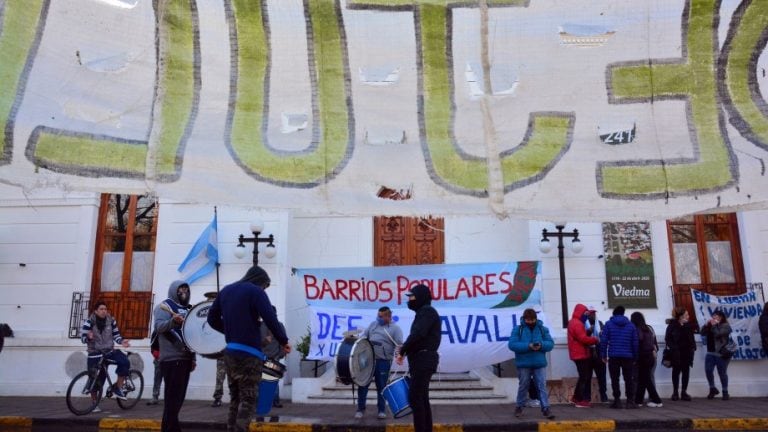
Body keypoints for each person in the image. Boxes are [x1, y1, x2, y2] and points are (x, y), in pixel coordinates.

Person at [207, 265, 290, 432]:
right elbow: (270, 318)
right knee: (249, 399)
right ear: (261, 282)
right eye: (265, 286)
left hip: (230, 352)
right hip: (249, 355)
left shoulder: (226, 291)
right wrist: (283, 340)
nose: (264, 289)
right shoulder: (256, 292)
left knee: (235, 399)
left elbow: (211, 318)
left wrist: (230, 330)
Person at [395, 284, 441, 432]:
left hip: (423, 360)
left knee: (415, 398)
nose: (409, 299)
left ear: (420, 297)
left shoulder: (426, 311)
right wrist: (406, 351)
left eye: (411, 296)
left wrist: (402, 350)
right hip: (421, 361)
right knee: (422, 399)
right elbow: (419, 337)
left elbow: (417, 334)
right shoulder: (424, 312)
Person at [154, 280, 196, 432]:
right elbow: (159, 327)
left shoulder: (189, 309)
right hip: (171, 358)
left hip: (185, 358)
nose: (184, 292)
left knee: (177, 400)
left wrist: (193, 358)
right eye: (181, 289)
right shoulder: (163, 307)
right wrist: (173, 321)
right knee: (173, 400)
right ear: (174, 290)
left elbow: (191, 336)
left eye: (186, 289)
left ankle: (172, 428)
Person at [81, 300, 132, 411]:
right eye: (101, 309)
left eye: (105, 309)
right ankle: (94, 403)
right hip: (94, 353)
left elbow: (116, 335)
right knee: (96, 379)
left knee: (125, 362)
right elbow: (83, 338)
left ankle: (117, 387)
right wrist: (88, 337)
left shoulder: (111, 321)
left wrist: (122, 341)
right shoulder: (89, 322)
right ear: (96, 311)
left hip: (109, 351)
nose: (104, 311)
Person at [355, 306, 403, 419]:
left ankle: (381, 410)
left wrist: (399, 356)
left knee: (381, 386)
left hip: (383, 362)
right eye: (378, 316)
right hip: (368, 361)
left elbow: (400, 345)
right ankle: (360, 409)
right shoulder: (373, 325)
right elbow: (363, 338)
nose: (378, 318)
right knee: (362, 384)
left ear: (388, 316)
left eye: (381, 316)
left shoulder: (395, 329)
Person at [508, 308, 556, 419]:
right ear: (524, 319)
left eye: (532, 319)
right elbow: (512, 345)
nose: (530, 322)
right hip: (524, 364)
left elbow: (550, 344)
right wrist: (528, 346)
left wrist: (541, 345)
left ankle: (546, 408)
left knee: (541, 386)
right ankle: (519, 406)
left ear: (535, 318)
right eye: (528, 320)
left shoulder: (543, 329)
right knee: (523, 385)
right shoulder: (517, 329)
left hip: (539, 363)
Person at [600, 305, 638, 409]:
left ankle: (617, 401)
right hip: (628, 356)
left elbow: (604, 341)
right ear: (623, 313)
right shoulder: (631, 325)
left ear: (614, 313)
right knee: (628, 379)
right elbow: (635, 342)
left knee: (615, 379)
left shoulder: (608, 324)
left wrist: (603, 355)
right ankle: (630, 401)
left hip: (614, 356)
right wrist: (635, 356)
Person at [567, 303, 599, 407]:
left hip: (578, 353)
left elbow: (580, 336)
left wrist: (587, 332)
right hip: (580, 354)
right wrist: (595, 339)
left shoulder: (574, 322)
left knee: (583, 376)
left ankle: (576, 398)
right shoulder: (577, 323)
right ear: (580, 313)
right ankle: (579, 399)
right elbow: (583, 339)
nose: (587, 316)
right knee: (584, 377)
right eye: (585, 314)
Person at [630, 312, 662, 407]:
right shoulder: (648, 328)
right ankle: (638, 401)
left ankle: (657, 400)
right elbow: (653, 343)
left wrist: (635, 357)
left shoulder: (637, 330)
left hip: (642, 357)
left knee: (646, 380)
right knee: (643, 379)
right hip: (650, 357)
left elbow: (638, 343)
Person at [664, 307, 696, 401]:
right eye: (686, 315)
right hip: (676, 352)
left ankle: (684, 392)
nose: (688, 316)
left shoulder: (688, 326)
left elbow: (691, 338)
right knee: (676, 372)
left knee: (686, 372)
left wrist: (693, 347)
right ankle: (675, 392)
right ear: (681, 316)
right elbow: (668, 338)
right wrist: (674, 348)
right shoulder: (672, 325)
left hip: (687, 352)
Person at [701, 310, 733, 400]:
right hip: (710, 352)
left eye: (716, 316)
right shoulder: (711, 325)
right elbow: (702, 333)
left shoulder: (726, 326)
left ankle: (725, 391)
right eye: (713, 316)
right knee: (708, 370)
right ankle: (712, 388)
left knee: (722, 372)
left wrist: (714, 326)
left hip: (721, 353)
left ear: (721, 317)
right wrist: (706, 325)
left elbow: (719, 334)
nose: (714, 317)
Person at [260, 305, 288, 408]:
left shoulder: (278, 325)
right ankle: (272, 401)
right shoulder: (261, 326)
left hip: (270, 357)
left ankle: (274, 401)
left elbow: (283, 342)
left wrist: (280, 354)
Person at [585, 307, 608, 403]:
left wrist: (602, 334)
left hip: (598, 352)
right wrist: (589, 331)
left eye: (594, 313)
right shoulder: (584, 324)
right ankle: (587, 397)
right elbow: (582, 337)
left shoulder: (601, 324)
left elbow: (605, 338)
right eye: (591, 313)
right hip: (588, 353)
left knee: (602, 376)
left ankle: (603, 396)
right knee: (587, 377)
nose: (593, 315)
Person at [146, 330, 162, 405]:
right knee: (157, 378)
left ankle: (172, 397)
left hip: (171, 358)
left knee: (171, 379)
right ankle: (155, 396)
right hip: (159, 357)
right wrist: (155, 353)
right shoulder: (157, 331)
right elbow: (152, 343)